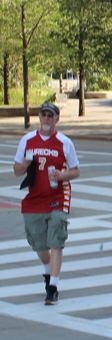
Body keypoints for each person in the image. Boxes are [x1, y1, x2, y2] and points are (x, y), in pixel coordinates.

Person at [13, 103, 80, 305]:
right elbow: (16, 170)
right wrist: (23, 165)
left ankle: (53, 287)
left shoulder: (64, 142)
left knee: (56, 242)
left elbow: (76, 171)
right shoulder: (27, 140)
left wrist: (62, 175)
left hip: (58, 197)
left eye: (51, 116)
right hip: (34, 200)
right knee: (41, 247)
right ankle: (47, 271)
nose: (47, 119)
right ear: (39, 118)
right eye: (44, 115)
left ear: (57, 119)